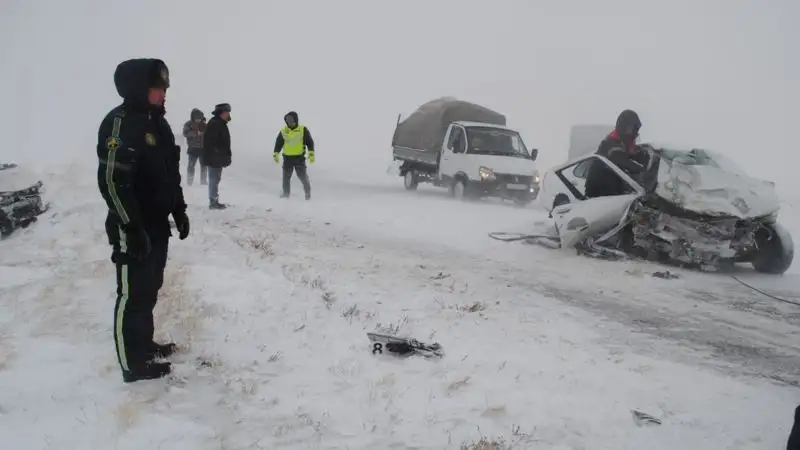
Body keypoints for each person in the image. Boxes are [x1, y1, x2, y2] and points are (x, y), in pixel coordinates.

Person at [96, 58, 190, 383]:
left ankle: (144, 346)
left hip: (157, 225)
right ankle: (133, 365)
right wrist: (131, 227)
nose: (163, 94)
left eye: (164, 88)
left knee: (149, 291)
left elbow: (170, 174)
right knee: (132, 296)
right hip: (132, 227)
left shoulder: (159, 124)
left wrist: (179, 210)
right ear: (138, 89)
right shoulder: (120, 124)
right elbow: (112, 182)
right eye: (156, 88)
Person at [584, 109, 650, 198]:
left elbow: (634, 155)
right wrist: (643, 171)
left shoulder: (627, 142)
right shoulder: (611, 142)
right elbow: (623, 161)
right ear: (623, 126)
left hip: (614, 189)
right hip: (598, 190)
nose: (634, 131)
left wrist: (646, 157)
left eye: (635, 128)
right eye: (631, 127)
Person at [273, 111, 315, 199]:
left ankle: (308, 194)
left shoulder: (303, 130)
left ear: (296, 120)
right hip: (287, 158)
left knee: (302, 177)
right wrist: (276, 153)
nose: (290, 122)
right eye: (287, 120)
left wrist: (311, 153)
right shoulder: (284, 131)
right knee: (286, 178)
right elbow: (278, 143)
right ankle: (286, 194)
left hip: (299, 158)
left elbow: (310, 142)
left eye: (291, 120)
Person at [203, 103, 232, 209]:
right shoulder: (215, 124)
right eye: (226, 112)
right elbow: (210, 142)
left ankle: (214, 200)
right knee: (214, 179)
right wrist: (217, 153)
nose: (228, 114)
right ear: (221, 113)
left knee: (216, 178)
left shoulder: (220, 123)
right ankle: (213, 202)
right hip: (213, 158)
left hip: (217, 157)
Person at [182, 108, 207, 185]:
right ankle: (189, 181)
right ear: (193, 117)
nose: (198, 120)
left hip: (203, 149)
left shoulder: (204, 125)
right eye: (196, 118)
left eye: (199, 118)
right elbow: (185, 133)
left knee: (204, 166)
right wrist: (195, 133)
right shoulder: (188, 124)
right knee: (191, 165)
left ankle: (203, 181)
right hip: (193, 149)